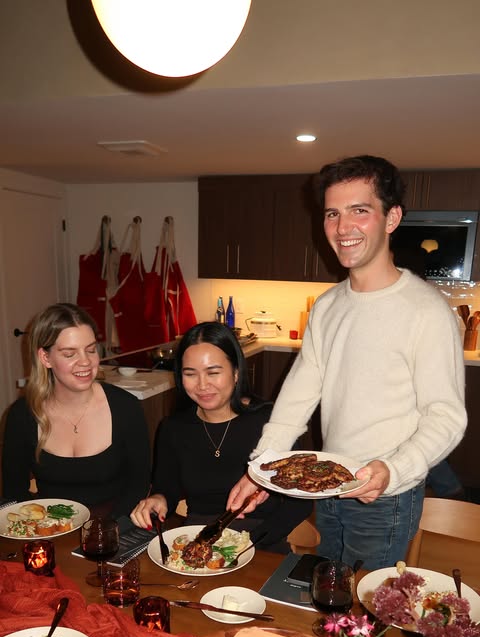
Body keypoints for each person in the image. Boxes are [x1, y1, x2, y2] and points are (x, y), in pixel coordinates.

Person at [227, 155, 467, 569]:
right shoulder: (328, 305)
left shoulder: (425, 311)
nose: (342, 228)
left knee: (362, 614)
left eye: (360, 211)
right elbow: (300, 395)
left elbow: (446, 416)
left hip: (384, 497)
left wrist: (392, 470)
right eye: (332, 214)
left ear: (391, 218)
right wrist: (260, 468)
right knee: (329, 592)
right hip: (331, 485)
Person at [130, 321, 312, 550]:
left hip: (262, 541)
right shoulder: (173, 427)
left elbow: (301, 502)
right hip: (198, 539)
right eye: (190, 374)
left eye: (213, 372)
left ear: (236, 372)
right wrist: (159, 499)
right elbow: (167, 489)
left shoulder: (274, 425)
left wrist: (249, 542)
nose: (202, 385)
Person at [2, 302, 151, 518]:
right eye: (70, 353)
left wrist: (103, 532)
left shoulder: (126, 407)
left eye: (91, 350)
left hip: (115, 529)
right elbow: (14, 493)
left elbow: (138, 484)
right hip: (50, 528)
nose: (86, 362)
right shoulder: (22, 415)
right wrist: (41, 529)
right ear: (45, 358)